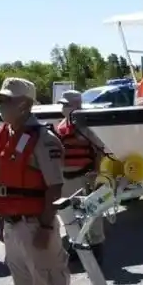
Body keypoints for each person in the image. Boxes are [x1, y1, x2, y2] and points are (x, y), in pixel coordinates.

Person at [0, 77, 73, 285]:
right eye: (0, 100)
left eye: (7, 100)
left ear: (24, 104)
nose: (1, 106)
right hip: (12, 225)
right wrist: (1, 221)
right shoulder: (3, 134)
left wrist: (47, 227)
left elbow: (55, 187)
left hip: (36, 225)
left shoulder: (44, 140)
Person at [54, 90, 106, 264]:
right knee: (71, 214)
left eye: (65, 104)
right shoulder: (61, 124)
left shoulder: (86, 126)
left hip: (85, 175)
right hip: (66, 177)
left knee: (92, 211)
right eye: (62, 104)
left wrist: (97, 172)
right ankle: (77, 244)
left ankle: (97, 245)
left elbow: (99, 150)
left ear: (76, 105)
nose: (62, 108)